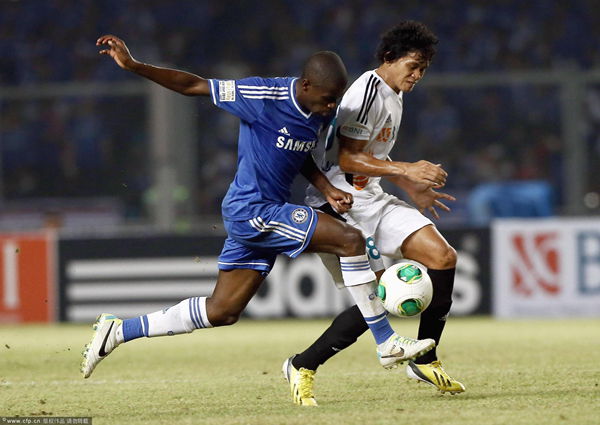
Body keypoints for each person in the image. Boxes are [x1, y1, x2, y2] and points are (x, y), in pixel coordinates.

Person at [81, 35, 444, 381]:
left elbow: (299, 154)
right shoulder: (262, 95)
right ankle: (386, 342)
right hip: (252, 209)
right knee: (350, 241)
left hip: (265, 213)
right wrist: (134, 65)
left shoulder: (320, 109)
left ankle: (118, 330)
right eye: (327, 100)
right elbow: (193, 85)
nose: (332, 109)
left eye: (335, 101)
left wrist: (326, 187)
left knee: (222, 311)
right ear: (305, 86)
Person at [282, 21, 465, 406]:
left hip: (373, 198)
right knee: (381, 298)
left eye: (423, 69)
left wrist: (409, 184)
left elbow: (372, 161)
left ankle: (425, 358)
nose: (417, 75)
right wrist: (406, 169)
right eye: (412, 66)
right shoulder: (367, 90)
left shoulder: (395, 95)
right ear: (388, 59)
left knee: (443, 258)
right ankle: (302, 365)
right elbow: (347, 158)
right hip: (337, 205)